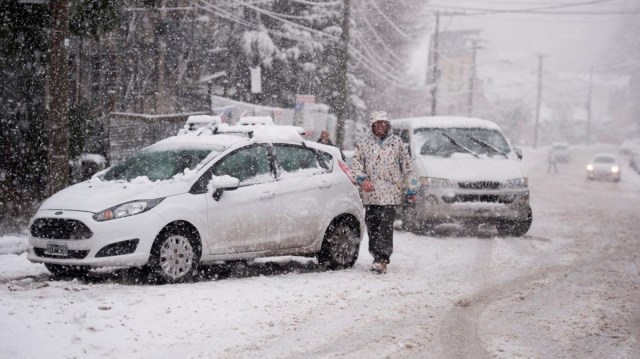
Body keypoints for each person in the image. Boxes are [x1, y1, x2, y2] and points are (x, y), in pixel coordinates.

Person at [351, 111, 416, 274]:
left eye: (384, 124)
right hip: (371, 194)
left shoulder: (397, 143)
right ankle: (375, 255)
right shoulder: (364, 144)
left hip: (391, 193)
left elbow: (408, 167)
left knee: (385, 226)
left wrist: (411, 188)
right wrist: (362, 180)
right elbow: (356, 164)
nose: (381, 127)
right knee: (373, 226)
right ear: (372, 126)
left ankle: (383, 258)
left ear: (388, 126)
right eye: (377, 124)